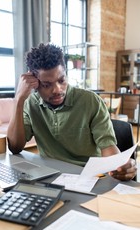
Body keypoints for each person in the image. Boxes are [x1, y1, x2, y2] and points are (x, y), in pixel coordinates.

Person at [7, 43, 137, 181]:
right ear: (34, 83)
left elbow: (108, 148)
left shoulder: (90, 101)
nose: (57, 90)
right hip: (50, 175)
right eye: (46, 85)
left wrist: (121, 166)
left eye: (61, 80)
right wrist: (18, 100)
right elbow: (15, 147)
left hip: (89, 177)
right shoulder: (30, 104)